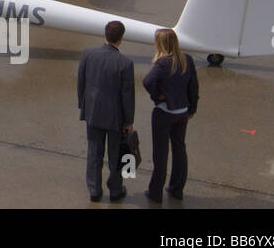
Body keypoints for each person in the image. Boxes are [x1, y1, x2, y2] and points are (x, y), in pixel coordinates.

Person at [77, 20, 136, 202]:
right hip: (115, 117)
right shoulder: (125, 63)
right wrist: (129, 120)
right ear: (121, 39)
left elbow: (81, 82)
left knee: (94, 152)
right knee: (115, 155)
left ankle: (94, 190)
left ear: (105, 35)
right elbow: (127, 95)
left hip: (93, 112)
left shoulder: (88, 54)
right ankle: (116, 190)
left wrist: (83, 105)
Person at [142, 28, 198, 203]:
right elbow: (194, 87)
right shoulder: (187, 60)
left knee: (161, 153)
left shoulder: (161, 63)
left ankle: (155, 192)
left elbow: (147, 81)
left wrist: (157, 96)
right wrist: (192, 109)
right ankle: (176, 189)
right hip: (182, 112)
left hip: (164, 113)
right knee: (180, 149)